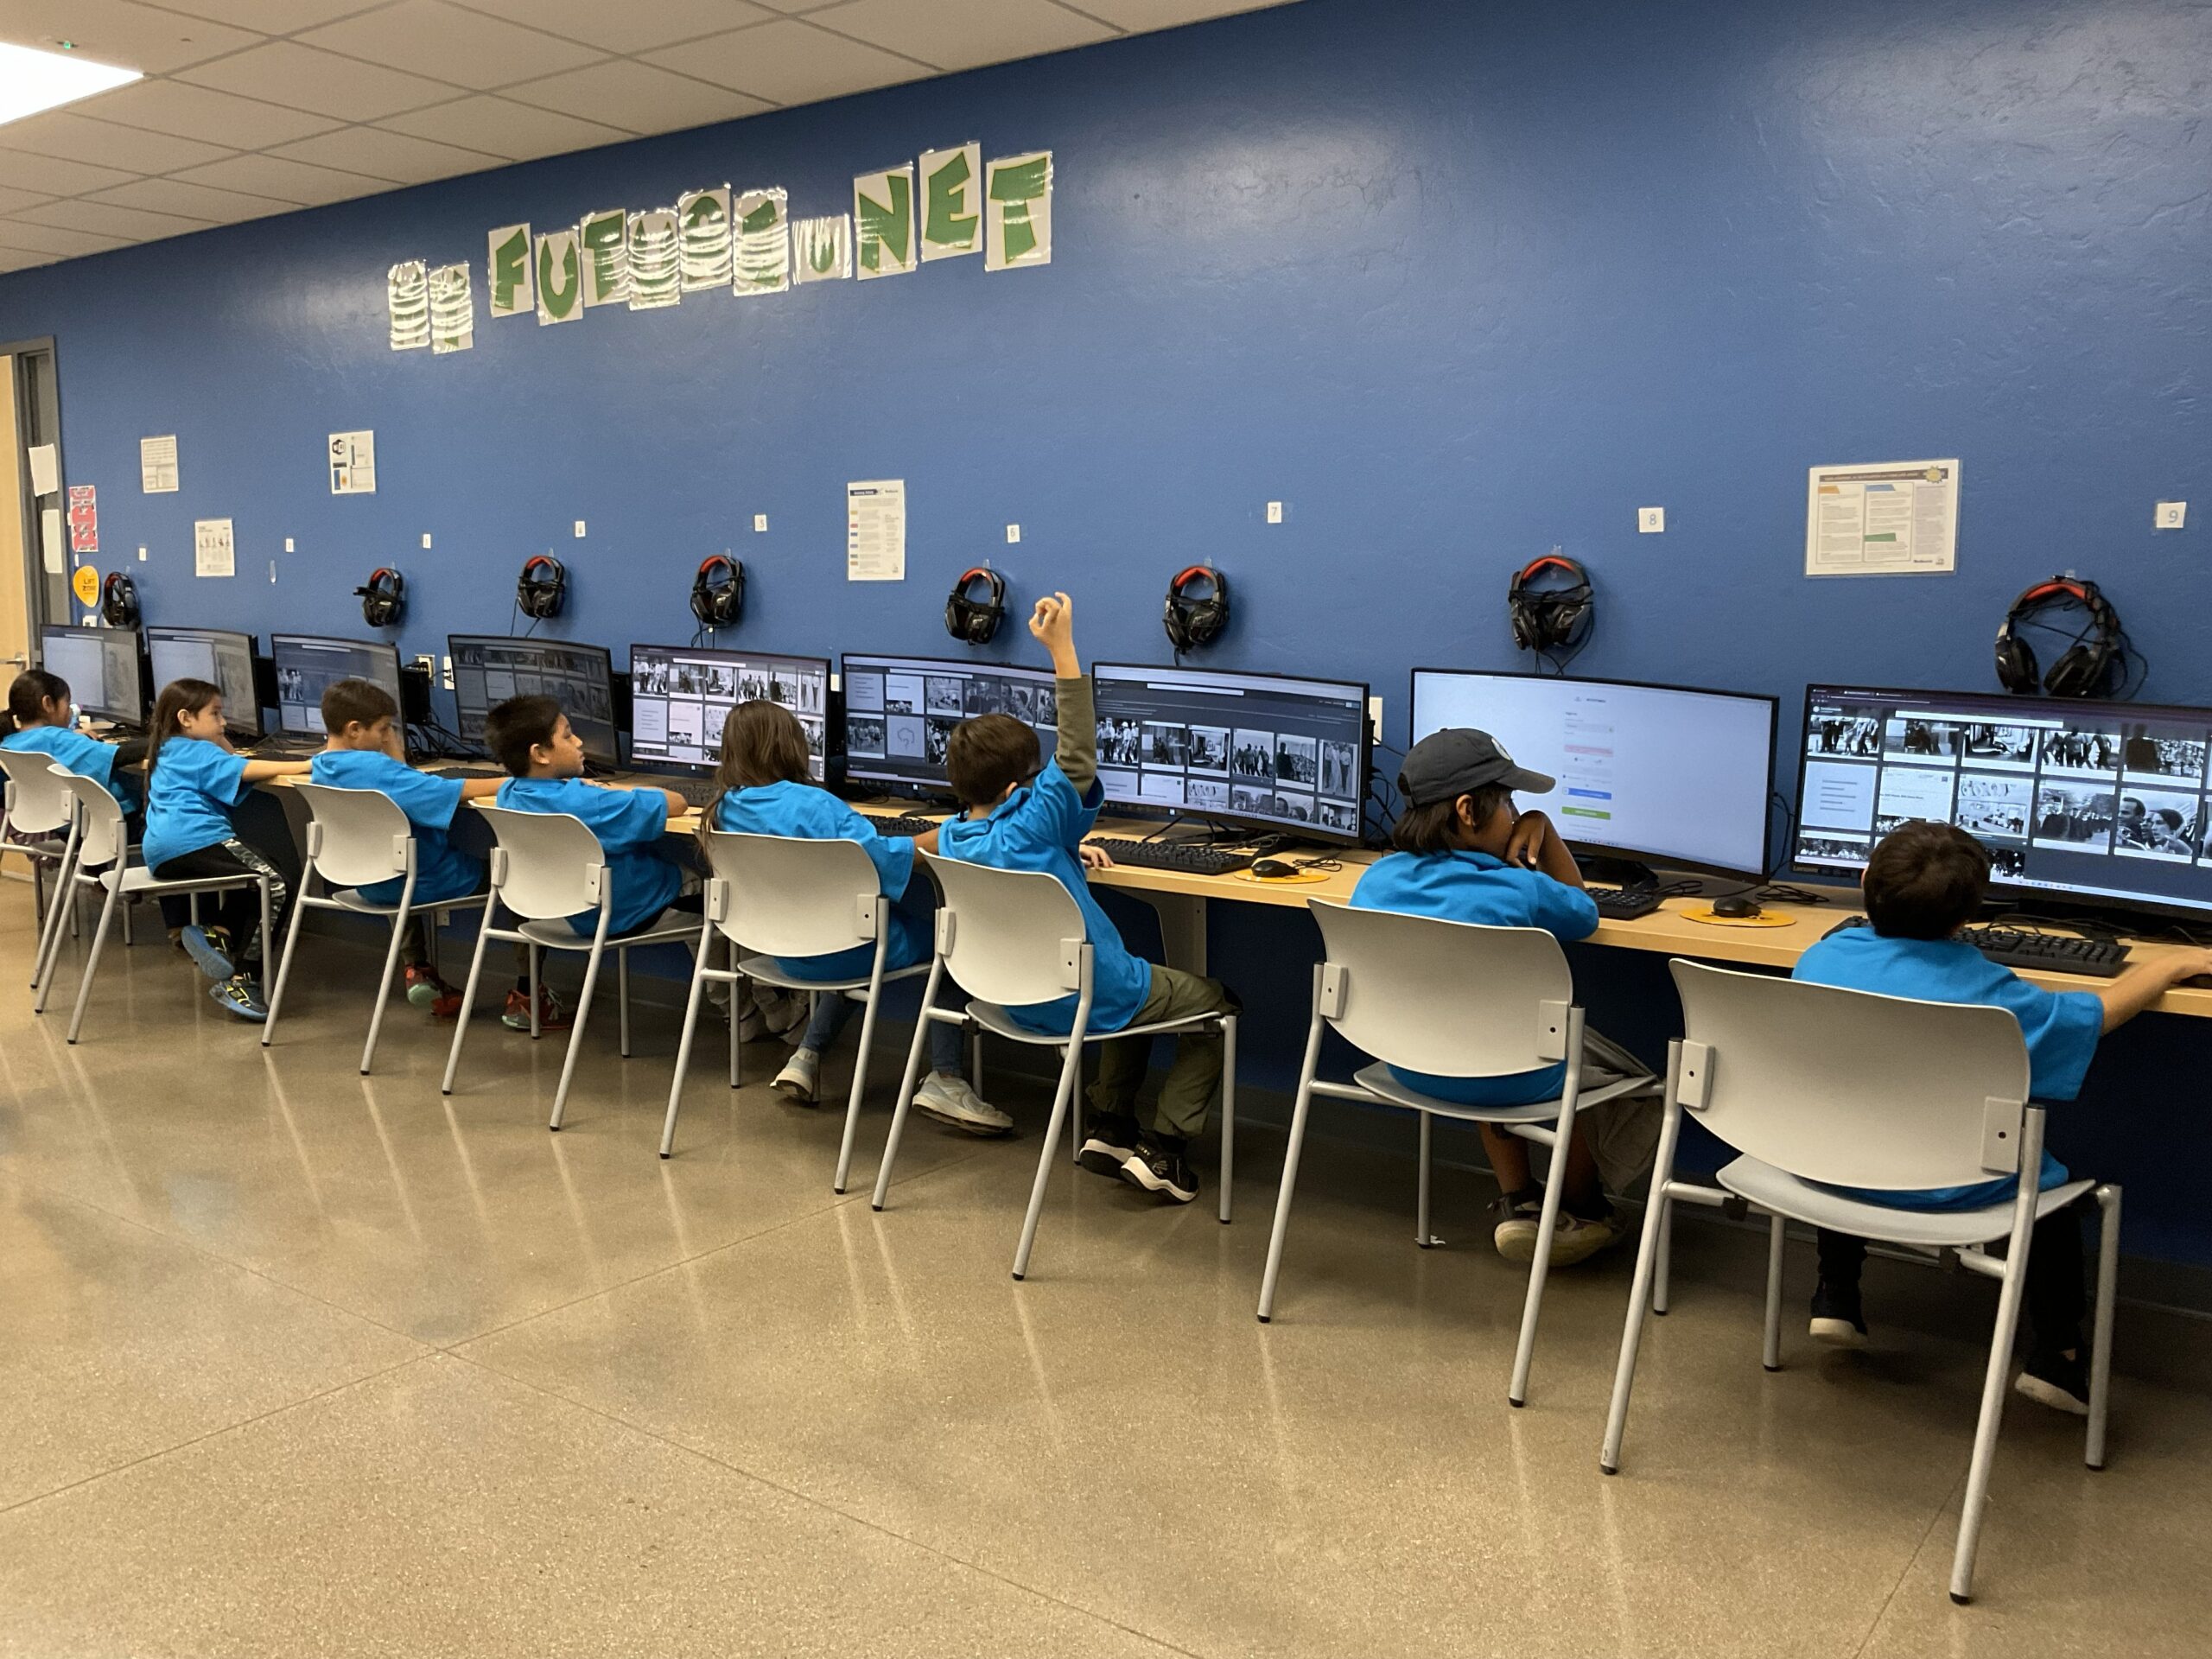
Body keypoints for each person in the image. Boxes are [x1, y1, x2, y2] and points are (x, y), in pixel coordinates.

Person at [1793, 820, 2212, 1413]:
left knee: (1860, 1118)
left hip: (1822, 1168)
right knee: (2049, 1188)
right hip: (1953, 1188)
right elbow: (2096, 1014)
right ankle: (2056, 1358)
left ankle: (1836, 1294)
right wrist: (2166, 966)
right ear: (1969, 916)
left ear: (1864, 884)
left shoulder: (1820, 958)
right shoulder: (1992, 994)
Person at [937, 593, 1237, 1205]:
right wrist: (1063, 650)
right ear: (1023, 788)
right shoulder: (1035, 823)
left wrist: (1067, 852)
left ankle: (1109, 1126)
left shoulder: (951, 838)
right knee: (1215, 1007)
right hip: (1082, 995)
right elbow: (1074, 755)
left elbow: (1020, 840)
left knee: (1134, 989)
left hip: (1008, 1000)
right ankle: (1166, 1148)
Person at [1349, 728, 1655, 1265]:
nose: (1517, 815)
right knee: (1557, 1053)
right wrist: (1548, 834)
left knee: (1481, 1031)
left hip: (1410, 1062)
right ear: (1468, 810)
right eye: (1510, 802)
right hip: (1510, 1072)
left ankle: (1522, 1201)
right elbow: (1584, 913)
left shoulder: (1375, 882)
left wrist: (1525, 823)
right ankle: (1587, 1209)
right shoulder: (1521, 888)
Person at [702, 699, 1007, 1132]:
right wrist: (950, 833)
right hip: (841, 950)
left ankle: (806, 1057)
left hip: (781, 953)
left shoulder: (722, 809)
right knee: (952, 942)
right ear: (790, 747)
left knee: (847, 933)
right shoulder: (816, 806)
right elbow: (878, 859)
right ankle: (947, 1078)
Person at [484, 695, 716, 1032]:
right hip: (625, 910)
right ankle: (741, 1014)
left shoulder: (508, 794)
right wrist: (612, 792)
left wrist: (586, 790)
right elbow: (677, 803)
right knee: (718, 900)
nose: (578, 741)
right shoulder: (587, 802)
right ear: (540, 753)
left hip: (564, 910)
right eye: (567, 735)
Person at [308, 677, 510, 1021]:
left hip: (369, 881)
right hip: (427, 881)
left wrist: (396, 763)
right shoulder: (379, 769)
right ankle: (528, 993)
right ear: (355, 729)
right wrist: (519, 780)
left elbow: (404, 791)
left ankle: (417, 966)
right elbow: (452, 790)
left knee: (400, 858)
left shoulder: (320, 766)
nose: (388, 736)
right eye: (384, 728)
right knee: (516, 874)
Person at [141, 678, 313, 1020]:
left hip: (163, 851)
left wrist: (218, 736)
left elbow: (230, 758)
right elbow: (247, 768)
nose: (224, 723)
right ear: (186, 718)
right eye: (216, 714)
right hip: (194, 840)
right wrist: (309, 764)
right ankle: (243, 980)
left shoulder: (168, 748)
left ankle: (218, 933)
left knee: (263, 869)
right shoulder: (198, 752)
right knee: (278, 882)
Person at [2, 666, 148, 813]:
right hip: (109, 820)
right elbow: (119, 755)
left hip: (57, 821)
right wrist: (161, 739)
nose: (70, 711)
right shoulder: (57, 738)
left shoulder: (9, 743)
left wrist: (73, 737)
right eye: (67, 702)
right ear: (48, 703)